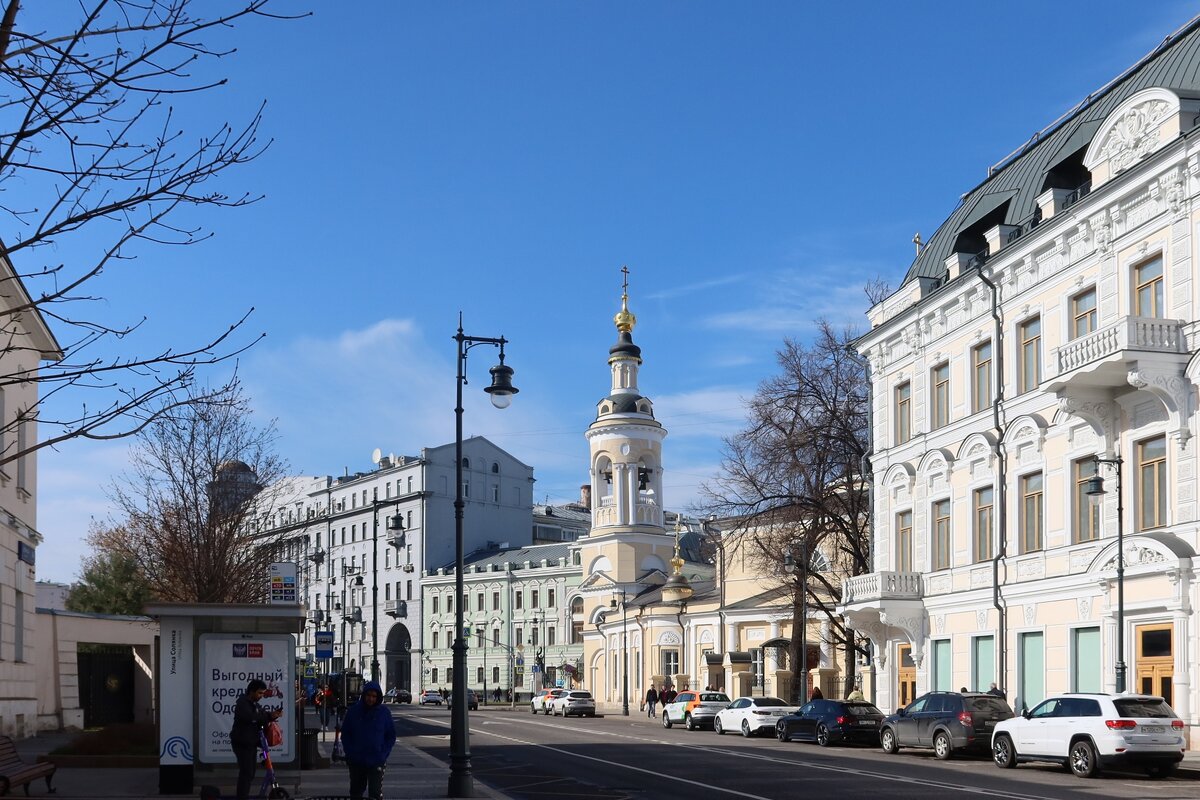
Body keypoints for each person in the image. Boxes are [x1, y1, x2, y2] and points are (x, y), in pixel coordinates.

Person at [341, 680, 397, 800]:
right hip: (357, 760)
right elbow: (345, 734)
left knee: (375, 793)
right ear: (364, 695)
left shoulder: (384, 713)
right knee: (356, 793)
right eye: (368, 695)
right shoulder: (353, 712)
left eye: (374, 696)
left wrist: (383, 754)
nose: (370, 699)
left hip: (376, 760)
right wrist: (350, 753)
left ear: (378, 698)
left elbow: (391, 736)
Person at [230, 678, 282, 800]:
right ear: (251, 691)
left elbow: (261, 715)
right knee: (247, 772)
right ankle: (242, 797)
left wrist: (272, 715)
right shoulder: (242, 703)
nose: (261, 696)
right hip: (242, 742)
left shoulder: (254, 703)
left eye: (263, 693)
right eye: (259, 693)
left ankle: (243, 796)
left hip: (251, 742)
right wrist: (269, 716)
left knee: (250, 772)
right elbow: (251, 717)